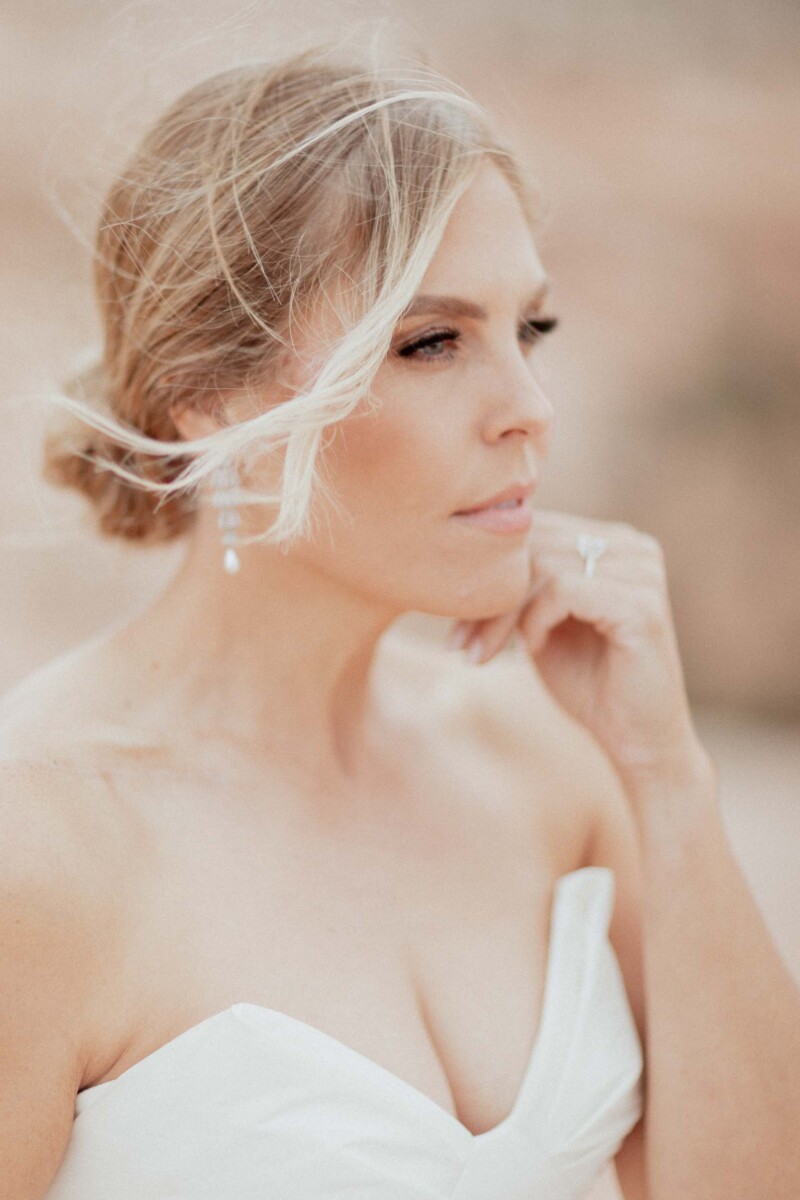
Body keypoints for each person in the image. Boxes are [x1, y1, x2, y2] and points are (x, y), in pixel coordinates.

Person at [2, 37, 798, 1200]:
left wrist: (666, 779)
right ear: (212, 399)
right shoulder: (45, 850)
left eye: (528, 330)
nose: (528, 409)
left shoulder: (549, 765)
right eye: (430, 342)